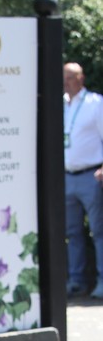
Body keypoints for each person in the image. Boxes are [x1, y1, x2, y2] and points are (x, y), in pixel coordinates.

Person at [63, 62, 103, 299]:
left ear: (81, 78)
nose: (66, 81)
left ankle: (102, 280)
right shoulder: (60, 103)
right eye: (64, 77)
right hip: (67, 177)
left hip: (90, 176)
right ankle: (76, 280)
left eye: (70, 77)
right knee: (72, 232)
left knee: (98, 231)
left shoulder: (95, 104)